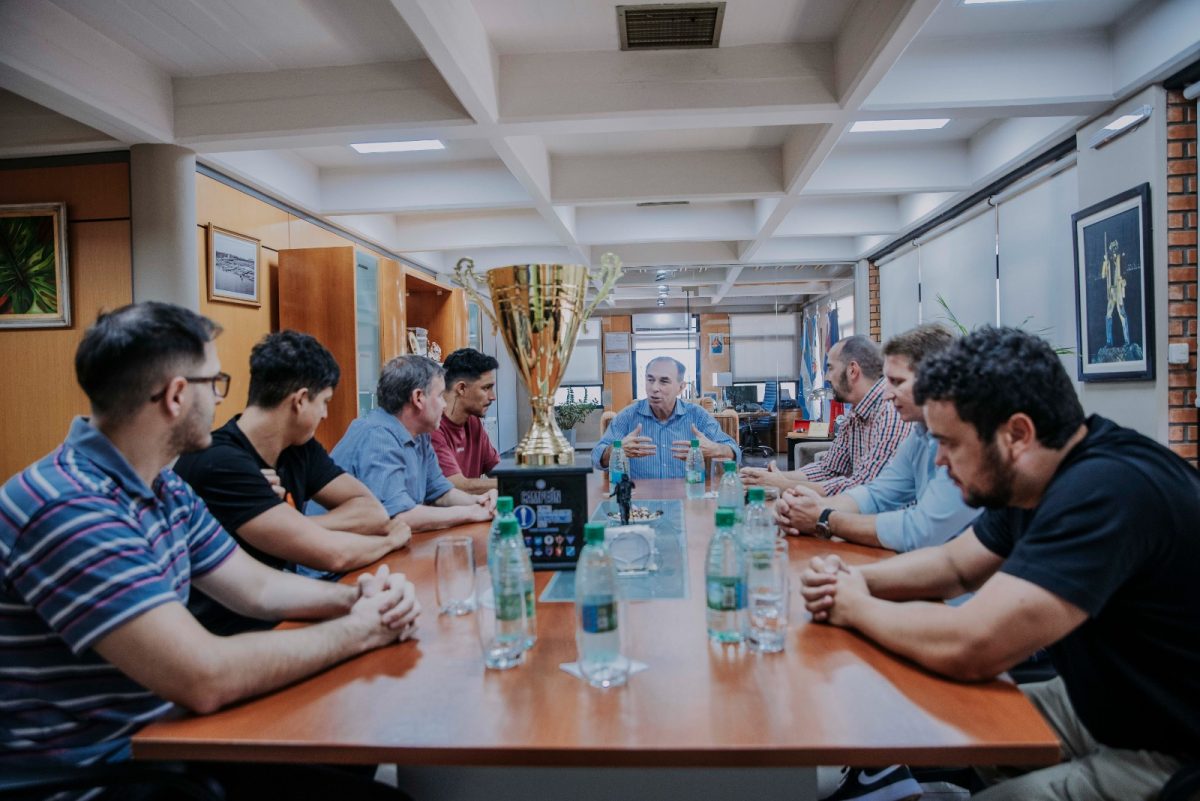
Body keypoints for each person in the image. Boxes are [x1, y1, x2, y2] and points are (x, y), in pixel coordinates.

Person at [0, 302, 419, 797]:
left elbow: (258, 587)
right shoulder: (68, 505)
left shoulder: (165, 488)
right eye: (214, 383)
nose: (222, 400)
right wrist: (362, 629)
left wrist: (366, 600)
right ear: (178, 395)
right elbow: (204, 676)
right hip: (103, 773)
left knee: (357, 763)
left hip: (167, 741)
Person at [799, 327, 1200, 801]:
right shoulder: (1038, 474)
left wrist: (852, 605)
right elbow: (954, 566)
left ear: (1016, 434)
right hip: (1103, 700)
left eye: (950, 443)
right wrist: (848, 579)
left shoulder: (1104, 491)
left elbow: (973, 645)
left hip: (1169, 745)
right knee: (926, 722)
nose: (941, 461)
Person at [174, 331, 411, 632]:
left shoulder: (300, 448)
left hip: (285, 610)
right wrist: (390, 539)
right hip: (230, 631)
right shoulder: (219, 461)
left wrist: (292, 525)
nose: (325, 414)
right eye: (324, 402)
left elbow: (371, 511)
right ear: (299, 400)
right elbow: (333, 555)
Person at [774, 324, 980, 552]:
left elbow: (921, 530)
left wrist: (823, 517)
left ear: (936, 381)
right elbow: (877, 493)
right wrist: (810, 508)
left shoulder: (971, 442)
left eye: (898, 382)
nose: (888, 393)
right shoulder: (920, 432)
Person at [329, 354, 497, 532]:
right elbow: (399, 516)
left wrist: (480, 501)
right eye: (440, 396)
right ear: (418, 398)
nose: (444, 405)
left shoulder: (420, 434)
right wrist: (471, 512)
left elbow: (441, 493)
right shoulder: (378, 437)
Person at [742, 335, 910, 496]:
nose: (827, 377)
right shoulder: (855, 413)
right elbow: (829, 469)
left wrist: (783, 485)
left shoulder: (891, 411)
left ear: (852, 370)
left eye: (830, 368)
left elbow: (866, 487)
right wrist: (771, 476)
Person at [590, 356, 739, 479]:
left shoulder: (697, 415)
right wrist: (616, 450)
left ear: (681, 387)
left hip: (688, 497)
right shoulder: (628, 416)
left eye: (664, 381)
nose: (654, 388)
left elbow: (735, 452)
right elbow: (596, 458)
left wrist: (716, 449)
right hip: (640, 503)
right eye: (650, 380)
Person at [431, 347, 501, 492]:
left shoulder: (473, 422)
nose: (493, 396)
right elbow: (457, 486)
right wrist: (518, 484)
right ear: (461, 388)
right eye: (486, 388)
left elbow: (499, 471)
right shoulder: (432, 427)